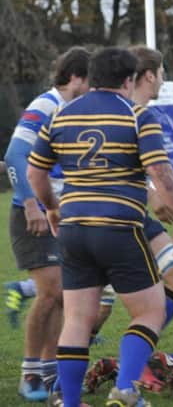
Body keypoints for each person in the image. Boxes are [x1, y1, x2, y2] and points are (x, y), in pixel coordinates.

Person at [27, 47, 173, 406]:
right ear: (129, 79)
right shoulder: (137, 116)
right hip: (119, 226)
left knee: (77, 320)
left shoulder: (60, 116)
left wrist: (52, 208)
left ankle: (70, 402)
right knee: (150, 311)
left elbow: (35, 172)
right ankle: (126, 390)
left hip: (73, 228)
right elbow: (160, 173)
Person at [4, 46, 90, 402]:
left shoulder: (72, 110)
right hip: (33, 216)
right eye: (90, 80)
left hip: (61, 214)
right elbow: (13, 154)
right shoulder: (45, 104)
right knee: (52, 292)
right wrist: (30, 203)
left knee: (62, 296)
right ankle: (30, 374)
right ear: (75, 77)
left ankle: (50, 373)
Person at [129, 45, 173, 329]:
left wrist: (149, 193)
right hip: (115, 218)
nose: (163, 79)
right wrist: (154, 195)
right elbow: (158, 169)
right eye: (161, 73)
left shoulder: (137, 113)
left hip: (133, 215)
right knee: (85, 309)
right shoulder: (133, 116)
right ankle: (43, 368)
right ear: (148, 75)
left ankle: (138, 356)